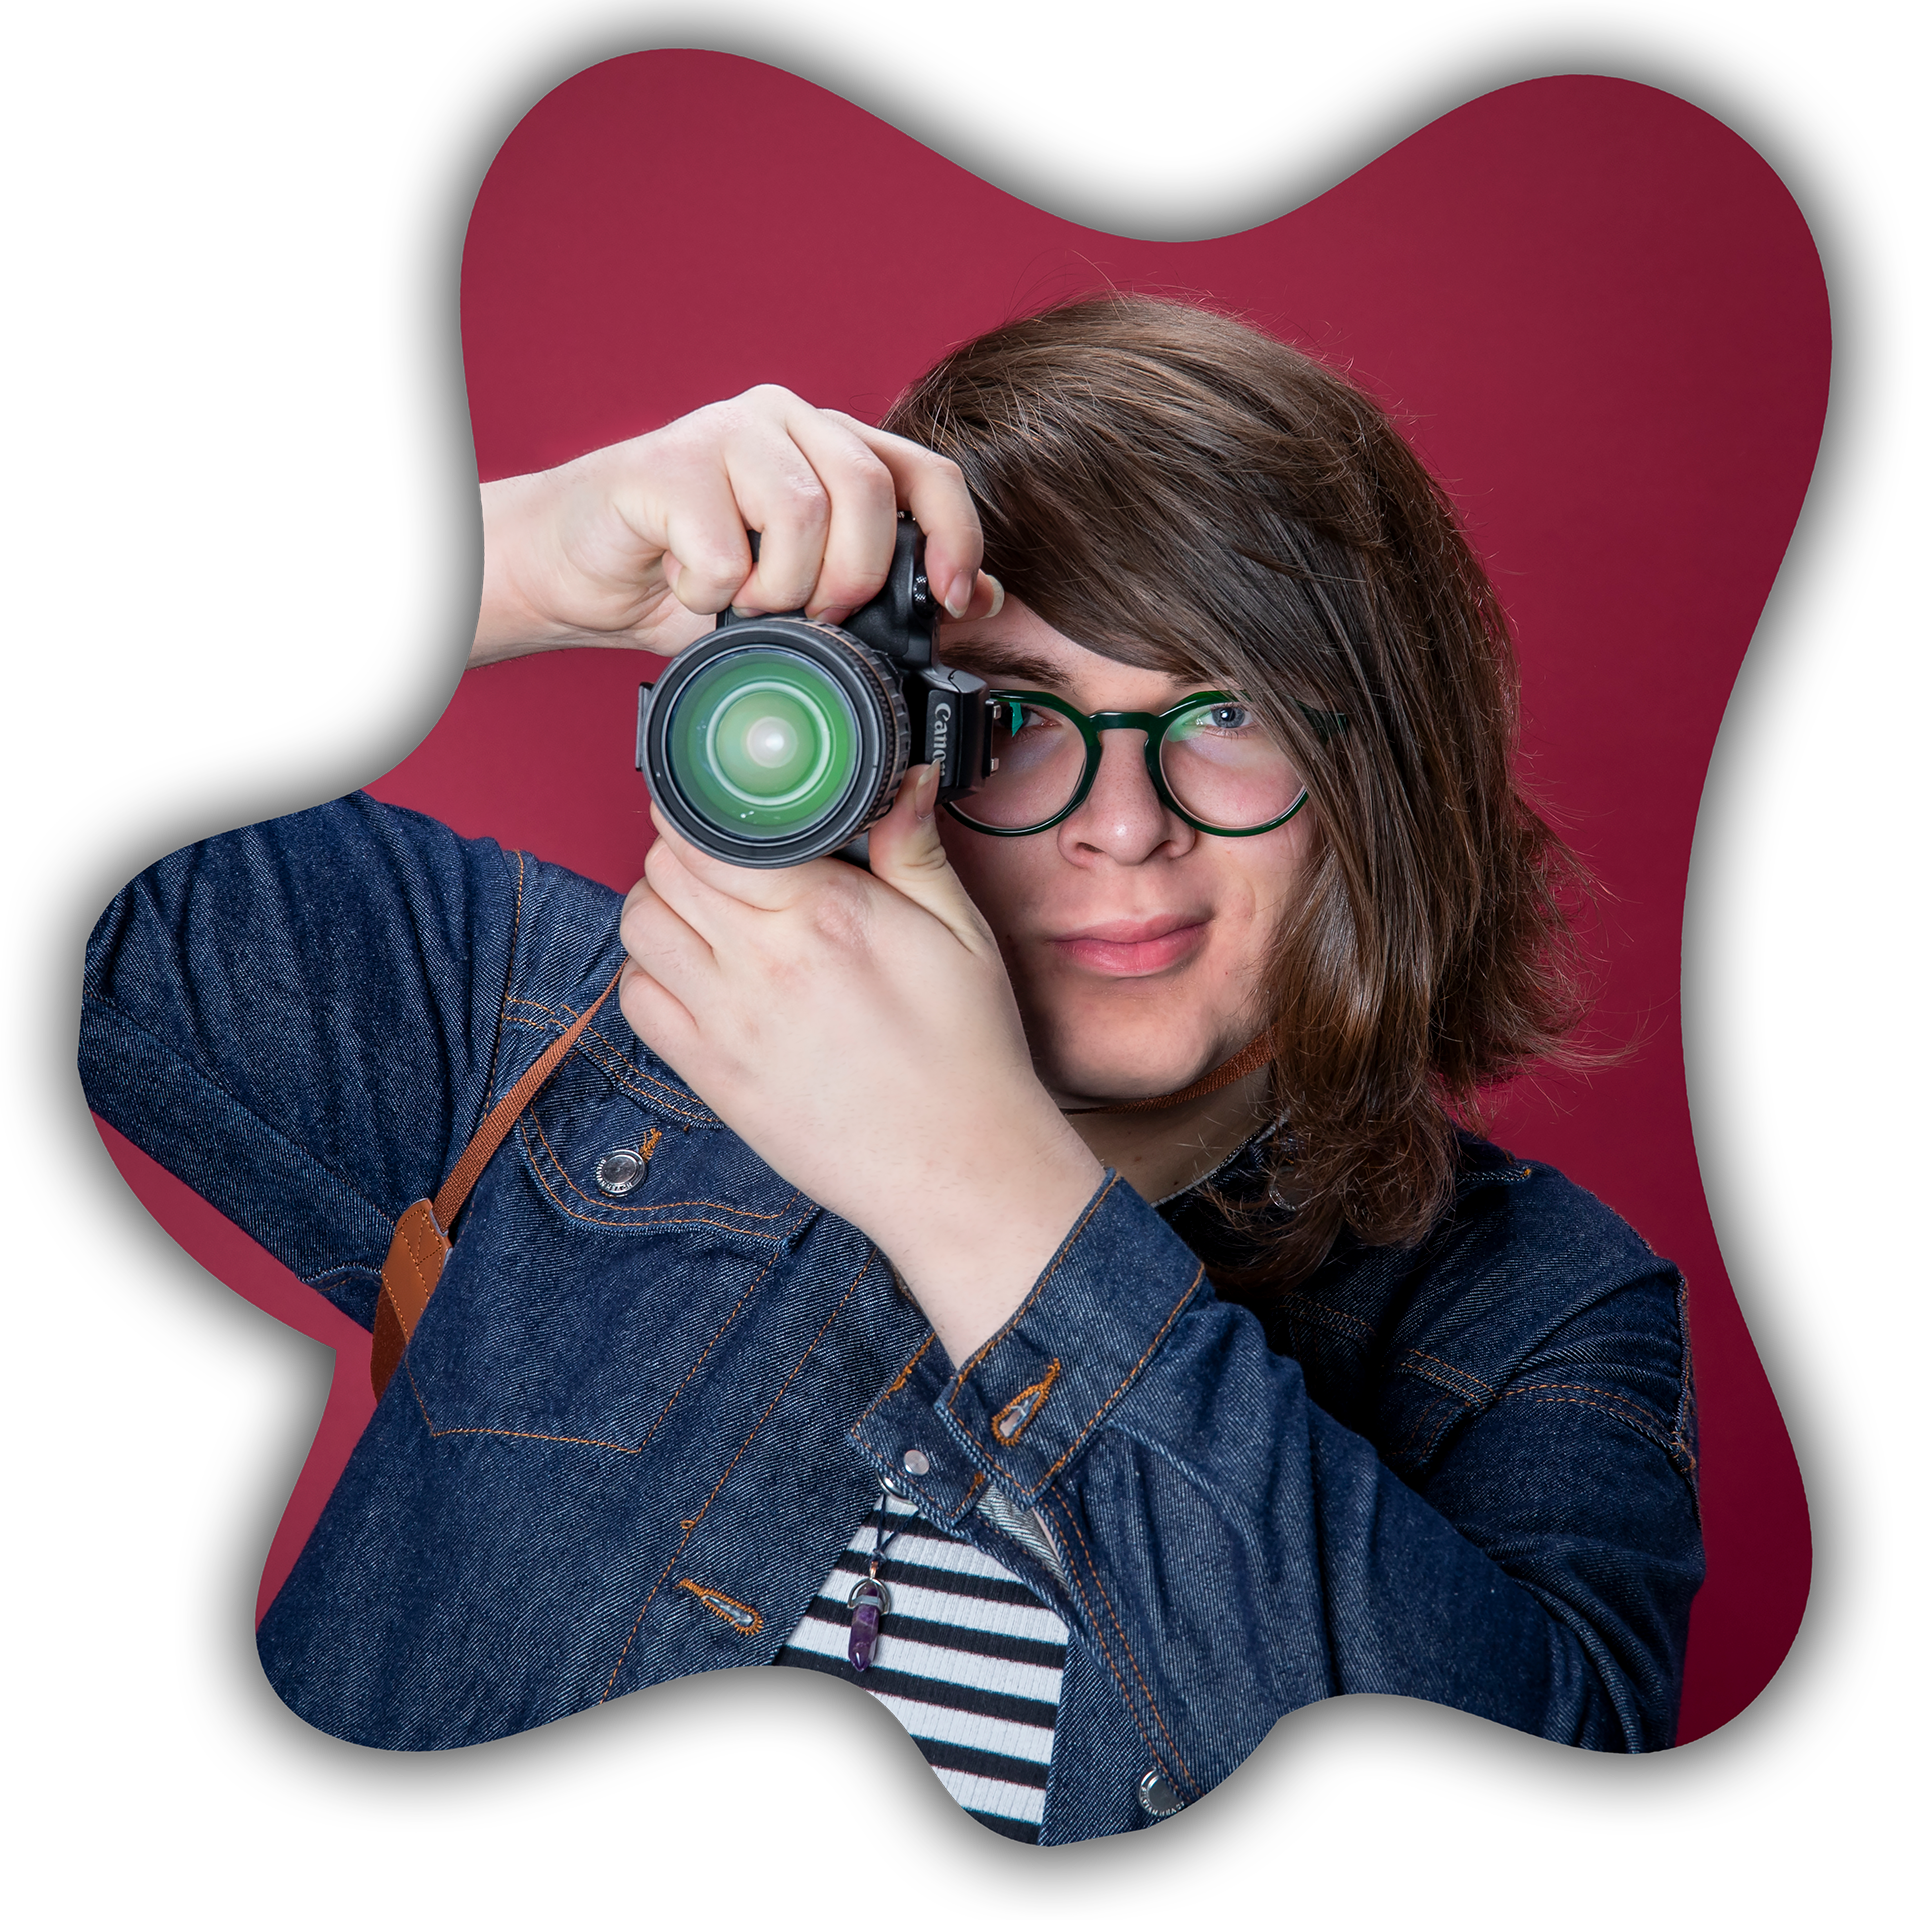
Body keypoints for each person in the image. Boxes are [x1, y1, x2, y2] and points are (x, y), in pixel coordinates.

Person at [78, 294, 1703, 1845]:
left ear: (1384, 776)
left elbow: (1522, 1829)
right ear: (882, 730)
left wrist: (981, 1196)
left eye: (1225, 714)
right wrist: (506, 557)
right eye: (1010, 720)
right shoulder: (565, 1036)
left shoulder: (1535, 1310)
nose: (1122, 830)